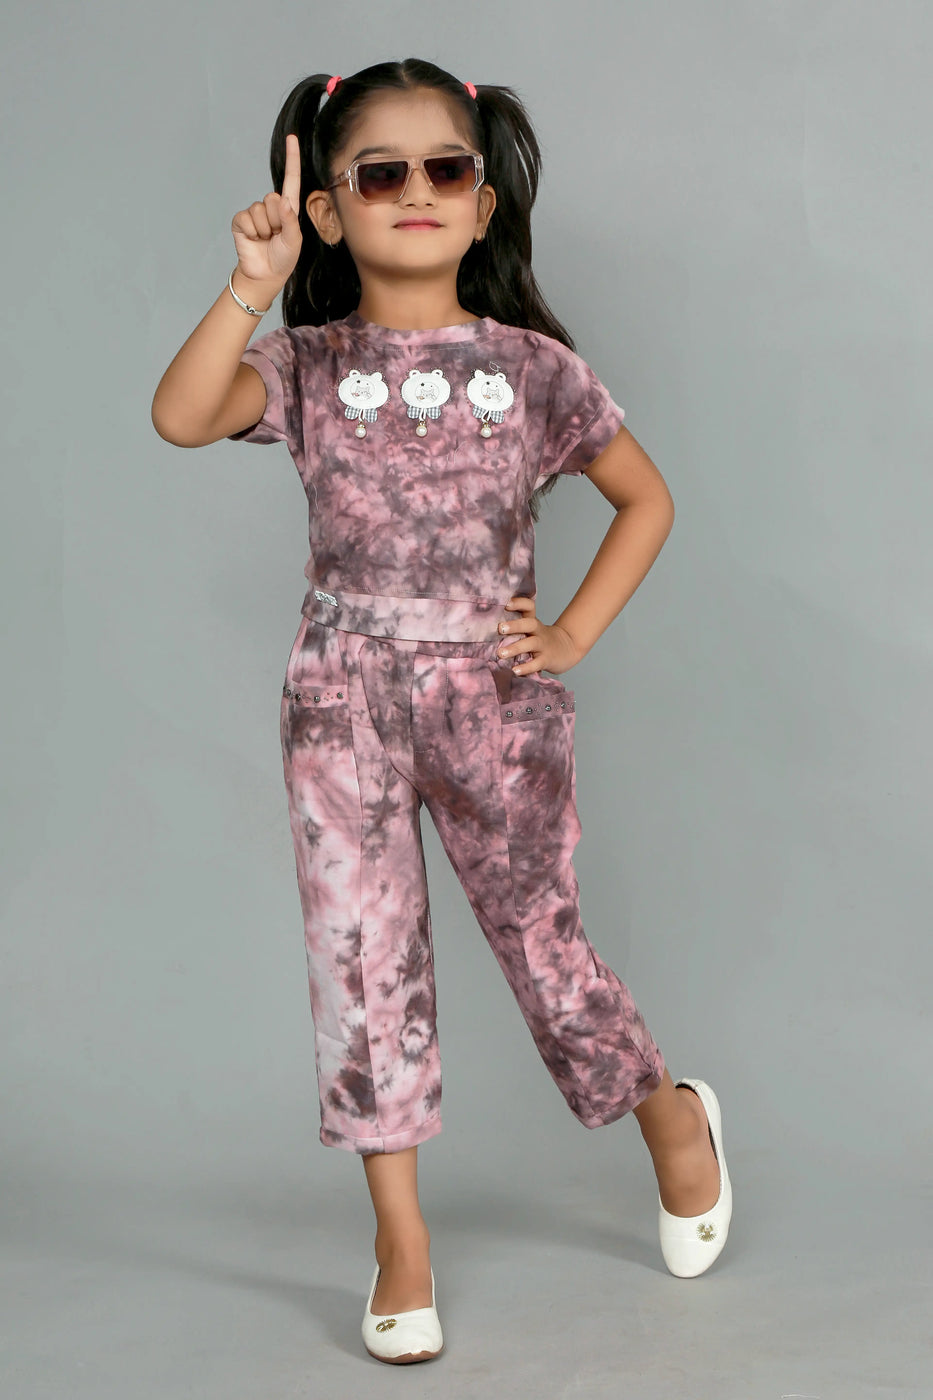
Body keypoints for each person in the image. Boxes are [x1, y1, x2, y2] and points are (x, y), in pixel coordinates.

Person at [151, 57, 732, 1365]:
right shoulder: (307, 365)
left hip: (494, 708)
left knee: (543, 951)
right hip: (339, 701)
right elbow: (180, 416)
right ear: (327, 210)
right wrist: (247, 289)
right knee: (362, 965)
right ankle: (399, 1240)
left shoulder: (534, 371)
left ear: (482, 206)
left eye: (446, 168)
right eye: (380, 173)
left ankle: (669, 1114)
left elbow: (646, 498)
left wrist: (569, 631)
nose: (416, 189)